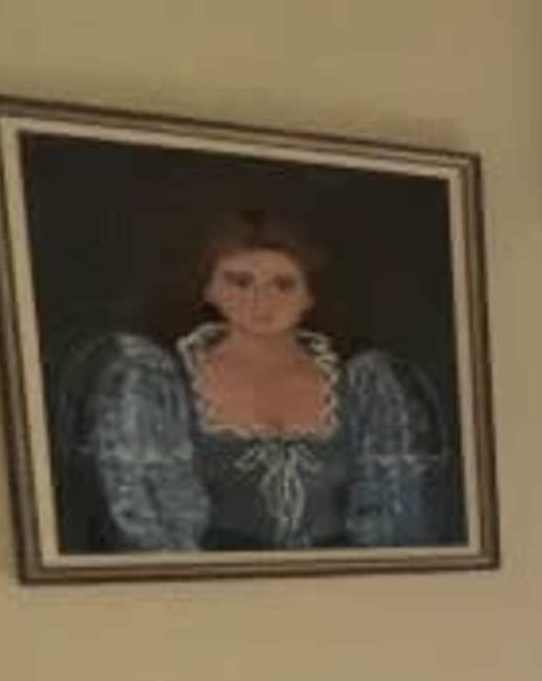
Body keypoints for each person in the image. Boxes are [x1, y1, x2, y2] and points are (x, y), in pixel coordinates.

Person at [61, 211, 449, 551]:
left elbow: (397, 523)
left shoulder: (368, 385)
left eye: (283, 284)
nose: (262, 301)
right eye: (240, 282)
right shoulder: (154, 382)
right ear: (209, 288)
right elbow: (149, 532)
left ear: (309, 295)